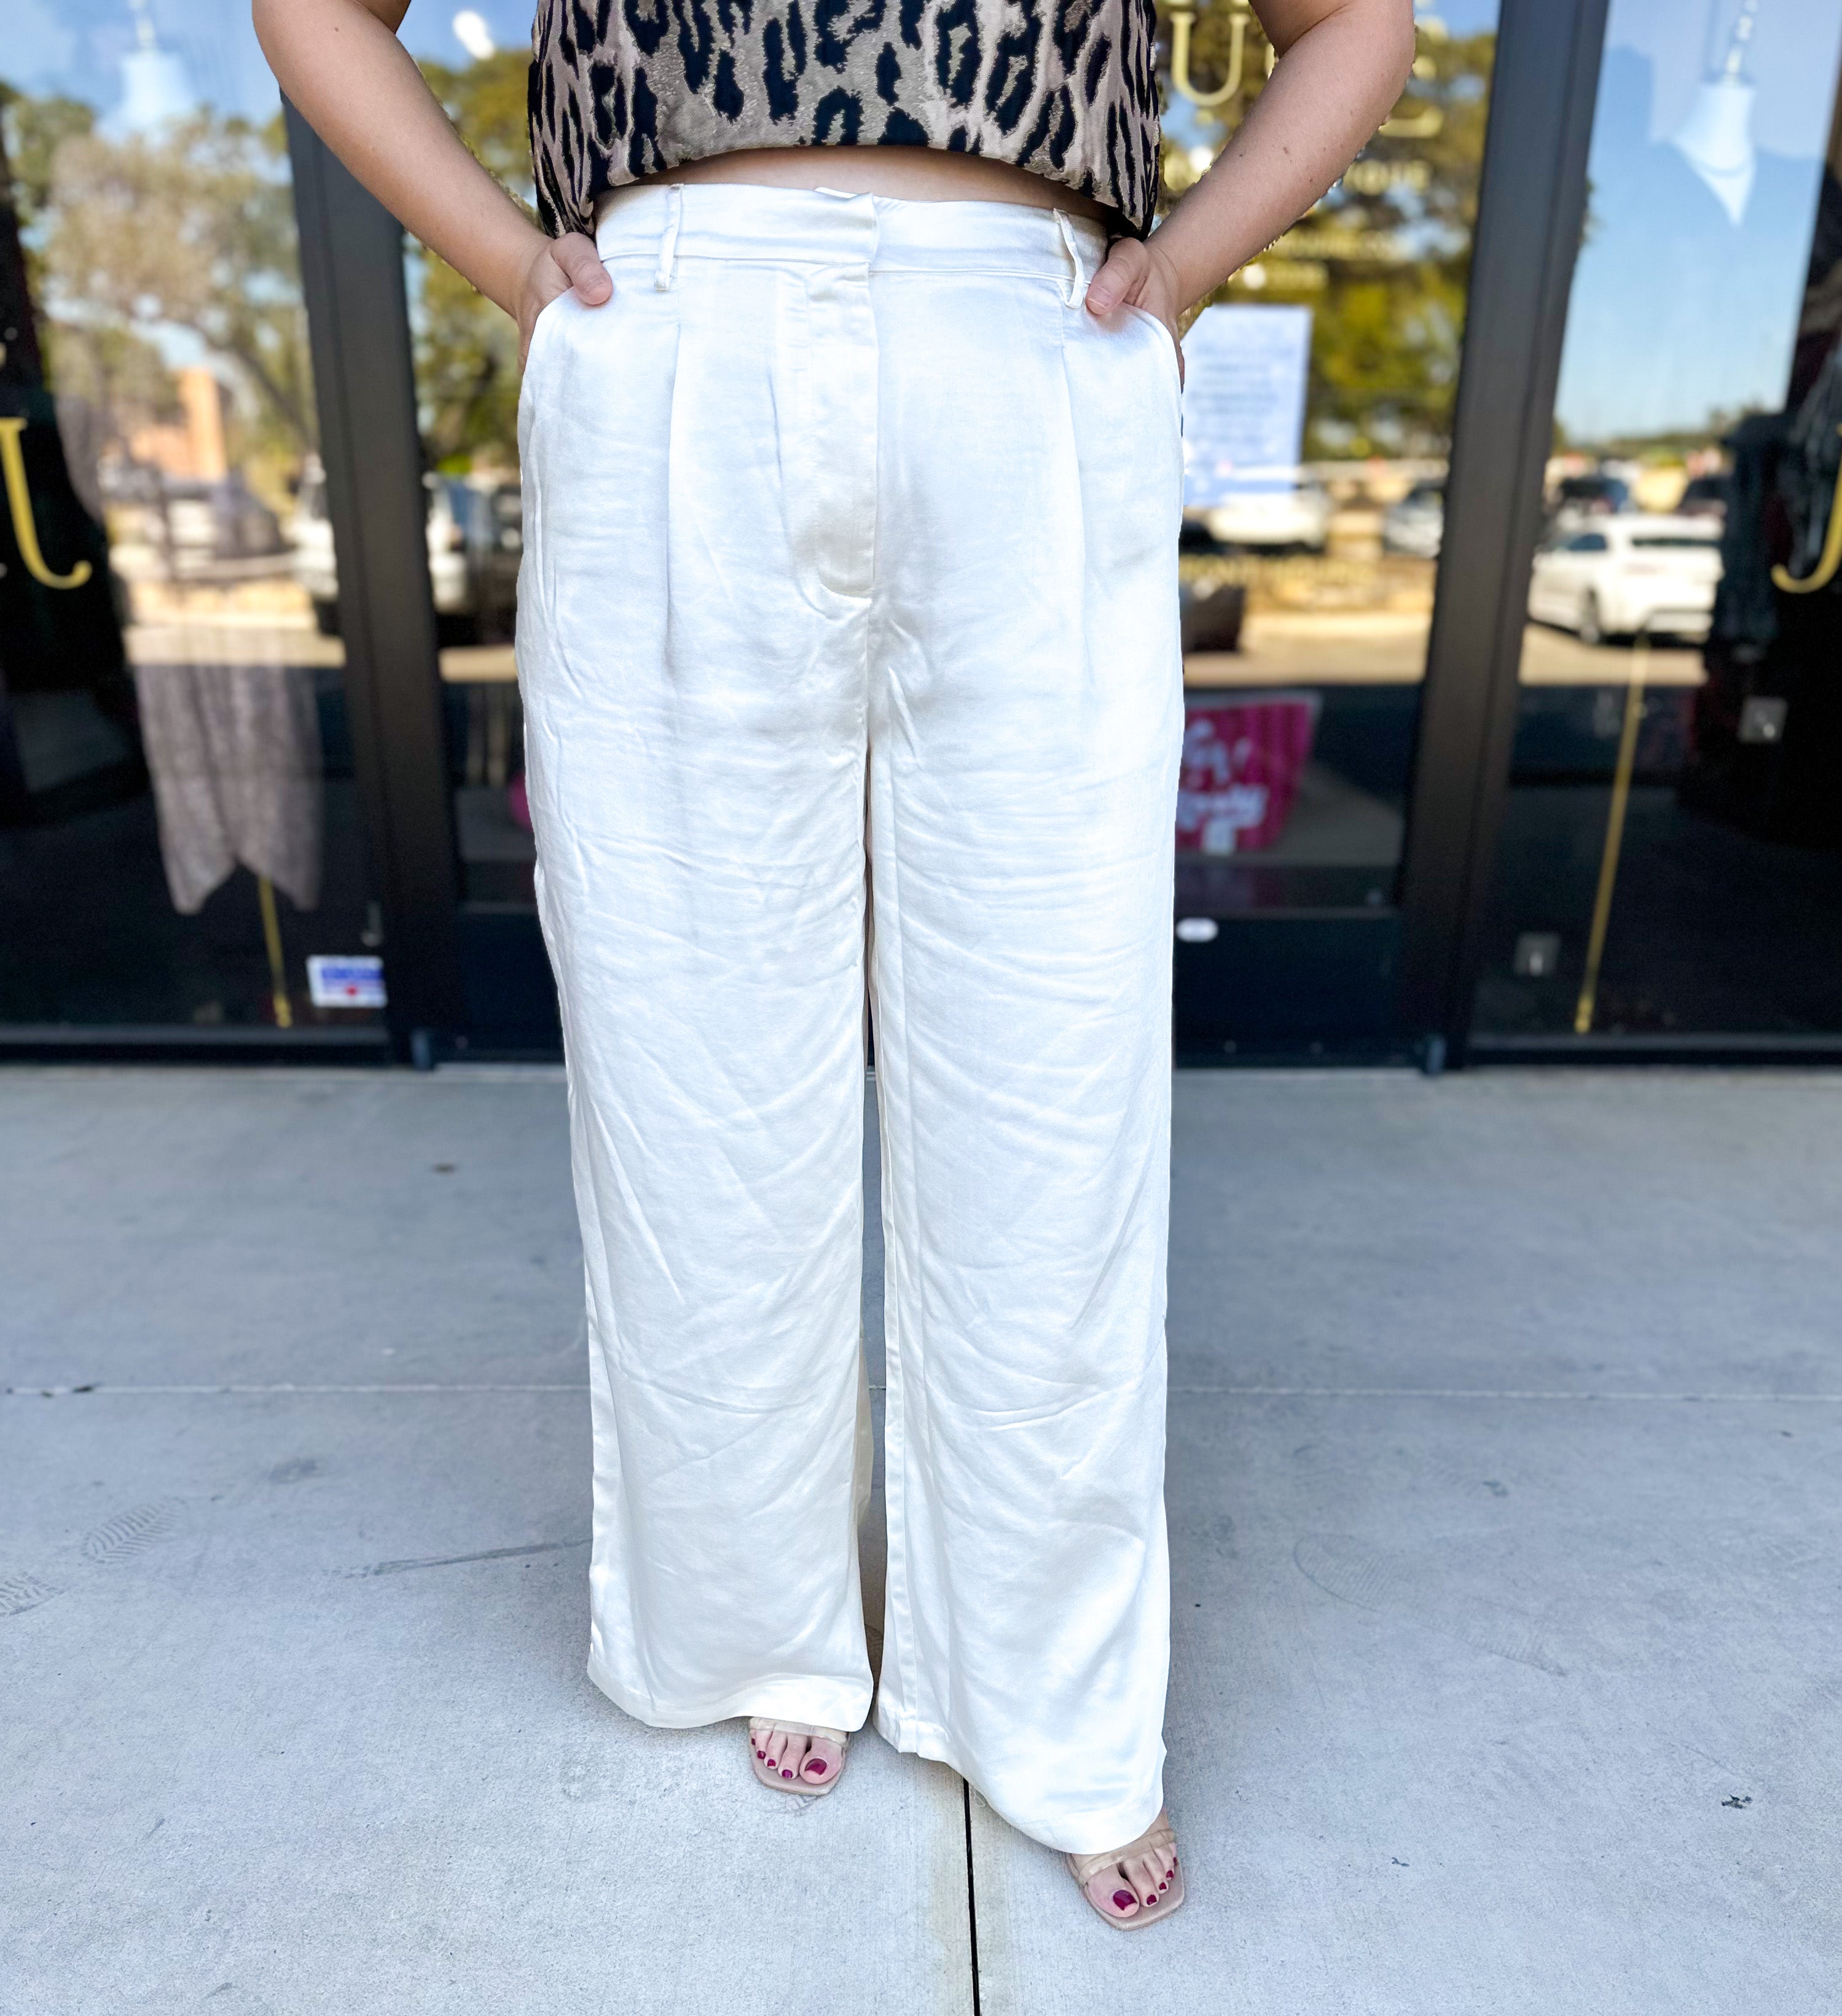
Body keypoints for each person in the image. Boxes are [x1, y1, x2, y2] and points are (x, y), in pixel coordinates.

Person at [257, 0, 1413, 1930]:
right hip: (676, 316)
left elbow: (1356, 20)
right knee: (690, 1046)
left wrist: (1190, 258)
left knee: (1056, 1066)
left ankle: (1053, 1698)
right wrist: (516, 275)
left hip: (1033, 320)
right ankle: (748, 1620)